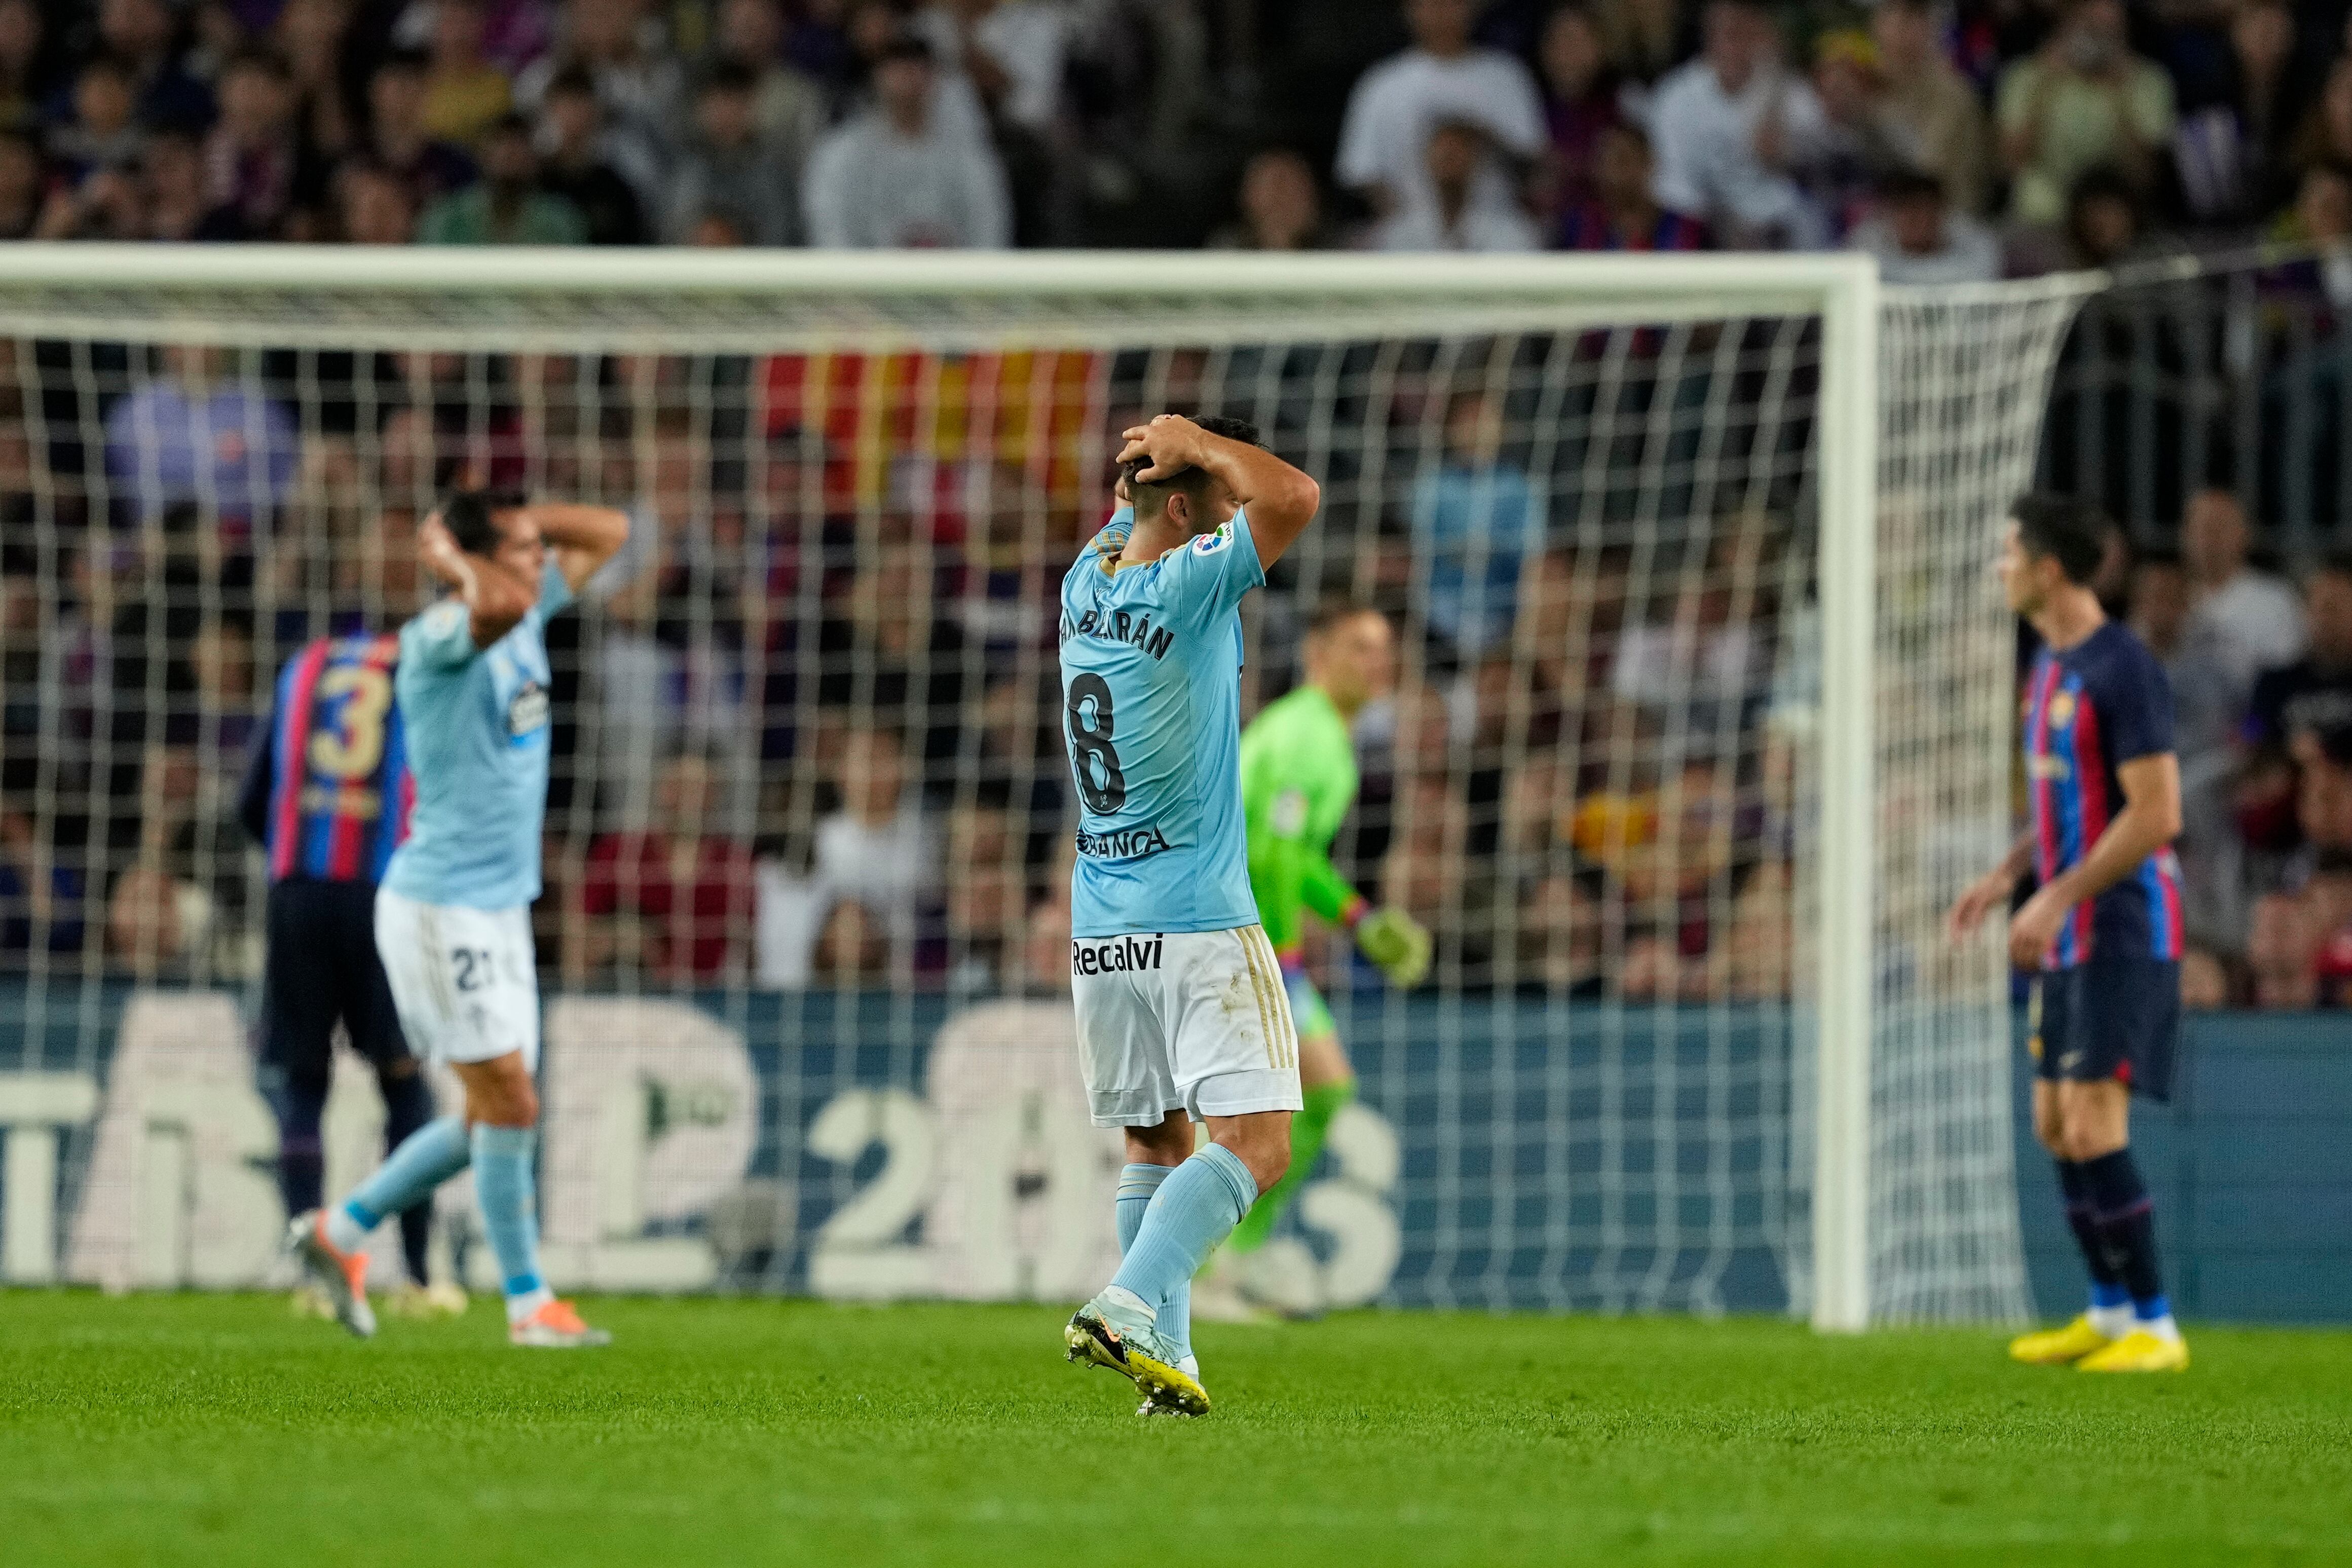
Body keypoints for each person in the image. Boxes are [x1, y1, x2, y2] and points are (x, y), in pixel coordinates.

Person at [288, 486, 628, 1348]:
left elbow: (612, 530)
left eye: (534, 547)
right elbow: (504, 597)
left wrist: (520, 524)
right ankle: (529, 1303)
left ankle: (343, 1229)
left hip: (501, 910)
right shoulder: (442, 636)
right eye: (517, 548)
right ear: (473, 562)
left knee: (495, 1111)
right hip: (441, 910)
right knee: (507, 1099)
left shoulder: (521, 600)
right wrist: (449, 555)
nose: (539, 560)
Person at [1057, 413, 1323, 1417]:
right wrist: (1199, 442)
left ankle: (1167, 1359)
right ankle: (1128, 1301)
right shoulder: (1190, 579)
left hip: (1103, 925)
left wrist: (1149, 455)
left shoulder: (1084, 582)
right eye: (1214, 501)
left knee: (1155, 1139)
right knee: (1257, 1144)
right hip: (1200, 918)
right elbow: (1292, 495)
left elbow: (1126, 514)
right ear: (1185, 508)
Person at [1948, 493, 2189, 1373]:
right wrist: (2010, 876)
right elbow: (2069, 804)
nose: (1998, 565)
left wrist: (2055, 895)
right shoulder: (2047, 665)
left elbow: (2157, 811)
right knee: (2054, 1122)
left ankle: (2157, 1327)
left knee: (2093, 1123)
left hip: (2125, 925)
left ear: (2049, 568)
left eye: (2008, 551)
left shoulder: (2122, 666)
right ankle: (2108, 1310)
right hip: (2068, 928)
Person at [1205, 603, 1428, 1313]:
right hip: (1239, 934)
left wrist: (1357, 917)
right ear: (1318, 651)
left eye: (1385, 647)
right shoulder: (1305, 738)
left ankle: (1226, 1259)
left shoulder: (1319, 733)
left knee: (1312, 1095)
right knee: (1298, 1096)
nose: (1377, 660)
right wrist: (1284, 948)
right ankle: (1216, 1262)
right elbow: (1269, 850)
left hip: (1239, 930)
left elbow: (1292, 853)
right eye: (1360, 645)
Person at [239, 631, 460, 1317]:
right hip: (383, 894)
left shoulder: (303, 663)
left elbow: (251, 798)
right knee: (401, 1075)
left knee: (305, 1079)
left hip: (297, 892)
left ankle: (311, 1276)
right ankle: (420, 1279)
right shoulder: (426, 671)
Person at [801, 32, 1011, 248]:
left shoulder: (968, 155)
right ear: (878, 75)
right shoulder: (841, 153)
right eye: (899, 66)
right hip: (868, 279)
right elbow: (830, 231)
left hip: (951, 280)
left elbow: (989, 228)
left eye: (919, 66)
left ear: (935, 77)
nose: (909, 75)